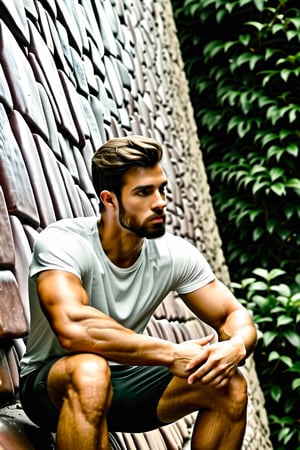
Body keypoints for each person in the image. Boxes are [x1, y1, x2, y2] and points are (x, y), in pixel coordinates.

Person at [19, 135, 257, 450]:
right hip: (52, 386)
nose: (159, 202)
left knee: (229, 385)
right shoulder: (64, 243)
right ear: (109, 199)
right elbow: (74, 327)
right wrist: (172, 353)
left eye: (162, 189)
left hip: (126, 387)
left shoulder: (173, 254)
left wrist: (237, 346)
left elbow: (233, 314)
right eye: (144, 192)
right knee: (91, 371)